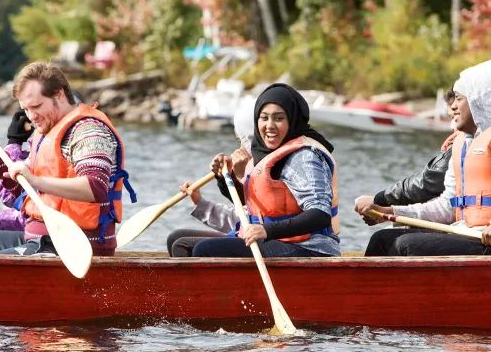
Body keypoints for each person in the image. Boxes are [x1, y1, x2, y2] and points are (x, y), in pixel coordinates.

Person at [0, 61, 136, 256]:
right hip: (39, 240)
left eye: (37, 106)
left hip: (73, 246)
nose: (31, 116)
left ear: (59, 94)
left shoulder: (88, 131)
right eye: (25, 109)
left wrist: (36, 180)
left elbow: (95, 187)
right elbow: (17, 192)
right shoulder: (45, 132)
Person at [191, 83, 340, 258]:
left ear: (292, 120)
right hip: (276, 239)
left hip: (309, 247)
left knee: (205, 250)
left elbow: (320, 214)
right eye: (264, 118)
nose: (270, 125)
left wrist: (267, 230)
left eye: (278, 118)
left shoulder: (304, 157)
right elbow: (250, 204)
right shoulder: (267, 153)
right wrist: (224, 176)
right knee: (180, 243)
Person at [360, 60, 491, 256]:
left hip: (484, 239)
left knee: (406, 245)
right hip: (467, 230)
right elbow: (446, 208)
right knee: (382, 239)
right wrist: (391, 212)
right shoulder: (462, 145)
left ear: (479, 99)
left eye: (460, 98)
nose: (453, 106)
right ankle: (366, 288)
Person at [354, 87, 458, 217]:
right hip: (457, 216)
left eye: (455, 117)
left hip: (469, 224)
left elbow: (429, 184)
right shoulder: (466, 141)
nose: (452, 126)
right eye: (451, 118)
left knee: (382, 237)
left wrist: (380, 199)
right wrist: (392, 212)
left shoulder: (464, 145)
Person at [166, 103, 254, 257]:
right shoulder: (252, 167)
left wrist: (238, 177)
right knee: (176, 237)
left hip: (262, 239)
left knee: (183, 244)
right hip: (246, 232)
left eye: (243, 141)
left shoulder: (262, 168)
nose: (239, 149)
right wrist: (200, 202)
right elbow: (240, 218)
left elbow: (253, 219)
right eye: (238, 140)